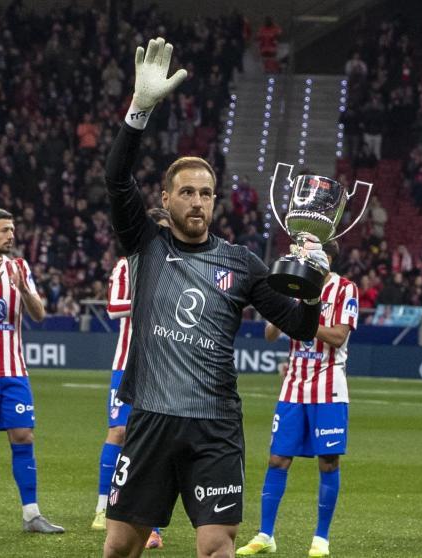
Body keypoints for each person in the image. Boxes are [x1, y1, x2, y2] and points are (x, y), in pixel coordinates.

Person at [102, 37, 324, 558]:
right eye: (186, 192)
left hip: (215, 425)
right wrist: (138, 111)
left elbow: (302, 327)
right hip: (151, 419)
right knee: (117, 548)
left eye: (206, 193)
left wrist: (312, 289)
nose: (198, 201)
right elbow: (115, 178)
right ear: (165, 199)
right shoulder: (146, 242)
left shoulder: (242, 262)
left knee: (216, 548)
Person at [236, 240, 358, 558]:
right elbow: (270, 335)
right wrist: (288, 307)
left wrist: (304, 319)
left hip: (329, 388)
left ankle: (321, 538)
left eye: (309, 253)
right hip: (293, 386)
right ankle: (265, 534)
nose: (303, 257)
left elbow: (338, 336)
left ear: (327, 257)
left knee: (328, 461)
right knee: (277, 459)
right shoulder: (293, 288)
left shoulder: (345, 289)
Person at [0, 208, 64, 534]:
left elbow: (38, 314)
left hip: (14, 370)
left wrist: (22, 289)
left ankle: (31, 514)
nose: (11, 235)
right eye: (5, 230)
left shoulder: (20, 267)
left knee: (24, 436)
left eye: (12, 229)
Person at [93, 207, 172, 553]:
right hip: (128, 363)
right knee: (119, 432)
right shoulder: (128, 264)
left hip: (166, 366)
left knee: (155, 441)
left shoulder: (181, 267)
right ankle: (102, 506)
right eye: (161, 230)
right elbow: (114, 307)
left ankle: (152, 525)